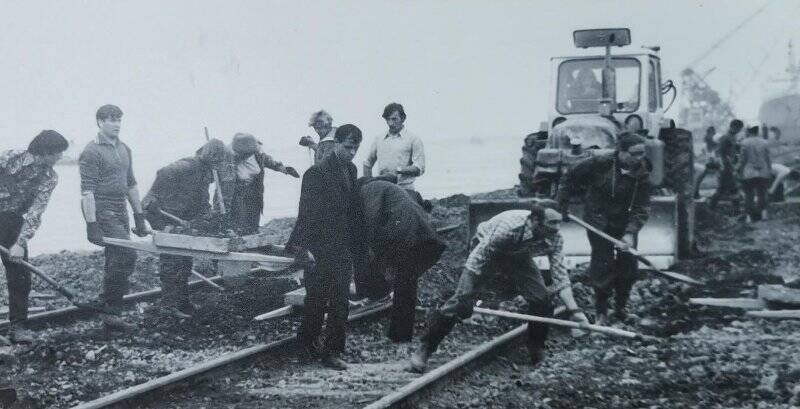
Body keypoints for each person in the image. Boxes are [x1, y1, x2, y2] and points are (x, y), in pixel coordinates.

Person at [408, 205, 588, 373]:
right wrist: (466, 291)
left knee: (542, 300)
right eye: (551, 223)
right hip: (488, 248)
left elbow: (560, 277)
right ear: (534, 221)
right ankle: (425, 348)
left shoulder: (555, 238)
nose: (556, 228)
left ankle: (536, 348)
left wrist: (575, 310)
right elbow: (477, 259)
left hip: (519, 256)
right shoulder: (509, 229)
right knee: (461, 300)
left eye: (558, 223)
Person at [286, 124, 362, 370]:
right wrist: (302, 248)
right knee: (316, 300)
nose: (352, 153)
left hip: (342, 246)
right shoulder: (315, 174)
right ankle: (306, 345)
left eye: (356, 148)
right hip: (318, 248)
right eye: (348, 147)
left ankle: (332, 351)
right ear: (336, 144)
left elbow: (352, 211)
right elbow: (305, 214)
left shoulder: (351, 170)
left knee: (341, 301)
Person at [558, 132, 651, 326]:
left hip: (624, 223)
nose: (639, 158)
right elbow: (569, 177)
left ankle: (621, 309)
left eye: (642, 153)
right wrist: (563, 206)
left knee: (628, 265)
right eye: (634, 153)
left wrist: (630, 232)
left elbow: (642, 207)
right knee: (602, 265)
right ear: (621, 152)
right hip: (598, 221)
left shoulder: (642, 173)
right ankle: (601, 312)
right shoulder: (600, 162)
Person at [80, 104, 149, 332]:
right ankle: (111, 310)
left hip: (121, 209)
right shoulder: (91, 151)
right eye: (111, 119)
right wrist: (91, 224)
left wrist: (139, 215)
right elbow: (87, 192)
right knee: (126, 254)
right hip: (103, 208)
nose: (117, 124)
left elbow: (131, 184)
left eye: (119, 119)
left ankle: (108, 309)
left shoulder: (124, 148)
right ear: (100, 122)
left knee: (116, 258)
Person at [352, 175, 446, 343]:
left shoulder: (367, 190)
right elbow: (424, 204)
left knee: (402, 283)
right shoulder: (393, 188)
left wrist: (370, 251)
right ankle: (401, 336)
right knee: (406, 285)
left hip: (405, 239)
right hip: (427, 237)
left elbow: (370, 221)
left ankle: (398, 335)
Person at [141, 139, 227, 319]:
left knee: (184, 258)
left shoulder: (205, 171)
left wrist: (209, 216)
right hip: (161, 214)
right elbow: (163, 173)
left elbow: (201, 201)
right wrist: (158, 203)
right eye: (218, 161)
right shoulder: (188, 165)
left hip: (179, 218)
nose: (219, 166)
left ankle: (181, 302)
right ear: (212, 157)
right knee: (172, 259)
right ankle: (169, 306)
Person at [0, 130, 68, 343]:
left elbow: (36, 211)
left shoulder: (50, 177)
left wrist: (20, 243)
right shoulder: (10, 157)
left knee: (20, 276)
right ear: (45, 151)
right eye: (58, 153)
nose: (60, 158)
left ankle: (18, 328)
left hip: (12, 221)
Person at [226, 133, 299, 235]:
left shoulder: (257, 154)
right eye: (243, 154)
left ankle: (253, 233)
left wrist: (283, 169)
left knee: (254, 214)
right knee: (240, 217)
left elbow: (269, 161)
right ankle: (240, 236)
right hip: (237, 191)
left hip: (254, 187)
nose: (245, 156)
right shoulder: (229, 156)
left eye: (248, 154)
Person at [363, 103, 426, 193]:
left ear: (403, 118)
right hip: (382, 190)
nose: (390, 123)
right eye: (388, 119)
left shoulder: (413, 139)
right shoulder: (379, 139)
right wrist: (369, 187)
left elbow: (419, 168)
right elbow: (367, 163)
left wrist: (398, 170)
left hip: (405, 190)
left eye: (394, 119)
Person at [738, 126, 772, 222]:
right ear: (758, 131)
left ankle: (749, 217)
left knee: (749, 194)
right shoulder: (765, 142)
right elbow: (768, 158)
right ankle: (764, 215)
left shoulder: (744, 142)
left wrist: (740, 171)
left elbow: (743, 159)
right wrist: (769, 169)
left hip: (749, 172)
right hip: (763, 171)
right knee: (762, 193)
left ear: (749, 131)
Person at [709, 120, 744, 211]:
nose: (739, 131)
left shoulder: (733, 137)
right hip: (725, 168)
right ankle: (710, 209)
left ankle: (736, 210)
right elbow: (720, 153)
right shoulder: (725, 137)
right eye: (739, 129)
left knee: (731, 189)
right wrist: (725, 166)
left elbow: (733, 152)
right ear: (734, 127)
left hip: (729, 167)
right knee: (725, 189)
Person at [694, 126, 721, 198]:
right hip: (709, 163)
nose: (712, 134)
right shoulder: (706, 143)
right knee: (700, 176)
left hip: (715, 163)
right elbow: (700, 155)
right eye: (711, 132)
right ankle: (695, 192)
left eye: (713, 133)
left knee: (720, 176)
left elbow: (717, 153)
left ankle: (719, 193)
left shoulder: (716, 141)